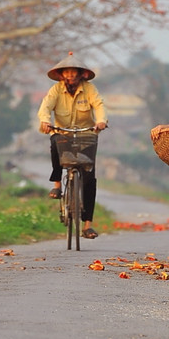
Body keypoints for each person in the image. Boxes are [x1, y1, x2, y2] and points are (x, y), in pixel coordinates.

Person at [37, 53, 107, 240]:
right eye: (66, 72)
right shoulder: (55, 90)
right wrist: (45, 121)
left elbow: (99, 105)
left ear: (81, 74)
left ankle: (87, 225)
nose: (70, 76)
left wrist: (101, 121)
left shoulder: (89, 89)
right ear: (61, 75)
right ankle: (57, 185)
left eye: (73, 72)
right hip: (63, 133)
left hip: (86, 134)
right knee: (54, 142)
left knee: (89, 178)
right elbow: (45, 107)